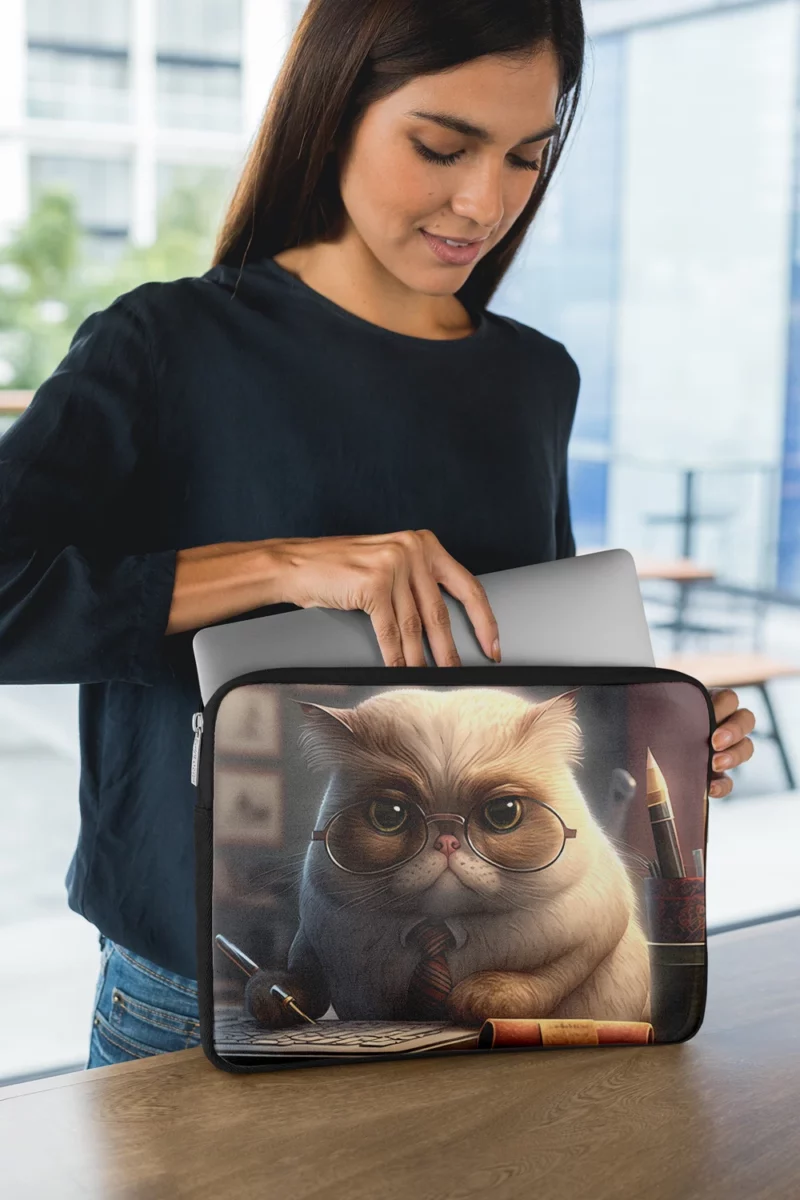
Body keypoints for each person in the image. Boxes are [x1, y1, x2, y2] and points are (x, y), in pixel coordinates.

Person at [0, 0, 754, 1069]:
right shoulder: (163, 344)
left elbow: (517, 667)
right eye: (440, 146)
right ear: (333, 109)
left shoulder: (534, 378)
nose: (481, 201)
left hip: (483, 994)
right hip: (209, 992)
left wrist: (660, 727)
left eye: (524, 158)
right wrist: (289, 567)